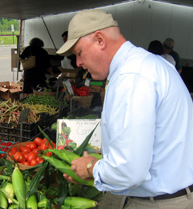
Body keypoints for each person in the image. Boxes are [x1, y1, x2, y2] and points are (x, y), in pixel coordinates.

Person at [57, 8, 193, 209]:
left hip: (160, 203)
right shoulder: (146, 64)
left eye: (79, 53)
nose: (79, 63)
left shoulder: (132, 77)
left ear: (100, 40)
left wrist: (91, 167)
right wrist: (101, 165)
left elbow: (130, 171)